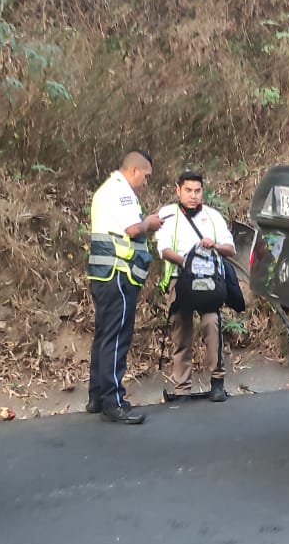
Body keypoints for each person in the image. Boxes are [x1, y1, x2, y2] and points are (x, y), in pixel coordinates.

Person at [86, 149, 165, 424]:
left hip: (103, 275)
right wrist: (151, 223)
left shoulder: (104, 191)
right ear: (134, 170)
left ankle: (97, 396)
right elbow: (132, 229)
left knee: (104, 335)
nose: (145, 182)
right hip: (117, 275)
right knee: (116, 337)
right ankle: (113, 401)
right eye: (145, 176)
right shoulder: (121, 192)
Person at [155, 171, 236, 403]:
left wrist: (215, 247)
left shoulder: (212, 216)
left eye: (197, 191)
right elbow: (164, 250)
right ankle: (182, 388)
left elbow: (230, 248)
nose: (193, 195)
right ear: (177, 190)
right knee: (181, 330)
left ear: (203, 192)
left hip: (209, 281)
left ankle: (218, 381)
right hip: (180, 279)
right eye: (188, 190)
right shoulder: (168, 215)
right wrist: (189, 263)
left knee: (211, 323)